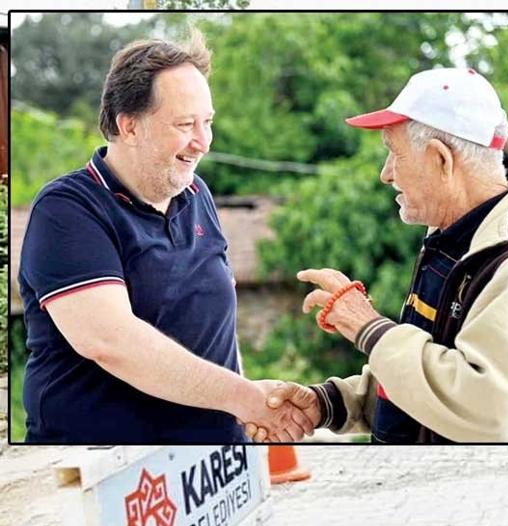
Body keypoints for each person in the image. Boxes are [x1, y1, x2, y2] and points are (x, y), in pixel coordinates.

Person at [17, 32, 311, 443]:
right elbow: (111, 341)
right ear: (129, 126)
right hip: (108, 472)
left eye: (207, 122)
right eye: (185, 124)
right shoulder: (68, 210)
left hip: (213, 466)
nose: (204, 142)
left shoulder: (196, 194)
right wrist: (245, 398)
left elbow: (218, 328)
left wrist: (249, 420)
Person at [248, 68, 508, 444]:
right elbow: (429, 381)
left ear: (441, 160)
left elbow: (489, 410)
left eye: (394, 154)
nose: (385, 174)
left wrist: (367, 327)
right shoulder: (451, 237)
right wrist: (332, 403)